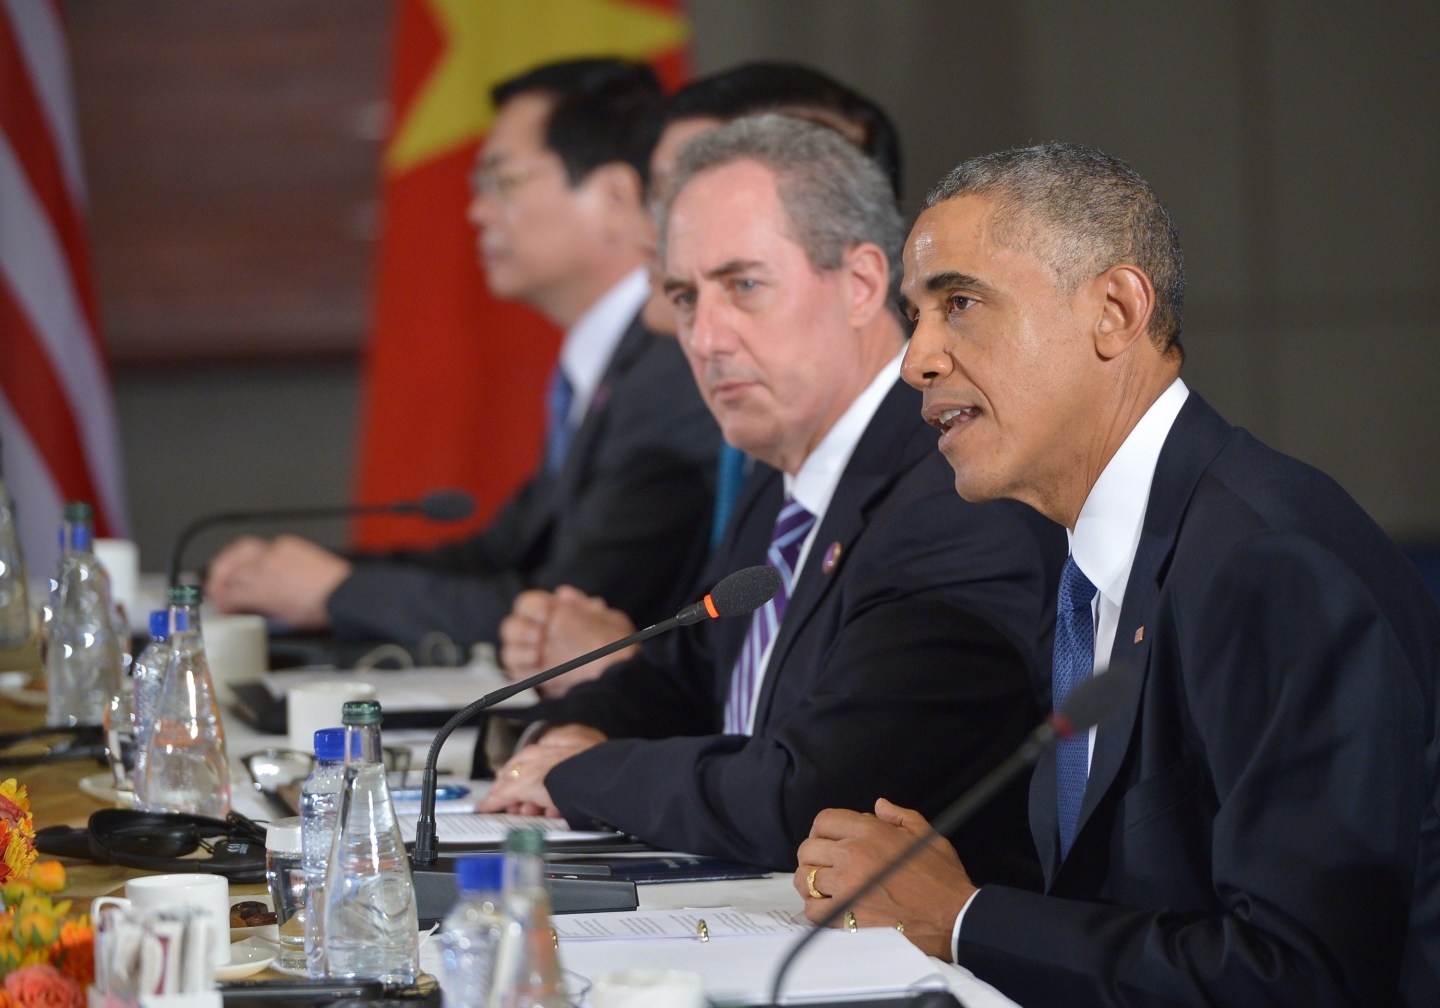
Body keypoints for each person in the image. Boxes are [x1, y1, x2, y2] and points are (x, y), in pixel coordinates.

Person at [795, 142, 1440, 1006]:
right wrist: (923, 886)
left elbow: (1302, 975)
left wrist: (963, 917)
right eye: (917, 316)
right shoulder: (1092, 561)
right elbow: (1128, 898)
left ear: (1115, 309)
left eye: (959, 303)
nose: (918, 359)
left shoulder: (1267, 563)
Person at [480, 115, 1065, 881]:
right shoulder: (781, 481)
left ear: (860, 284)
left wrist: (582, 775)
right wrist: (558, 733)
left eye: (743, 286)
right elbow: (680, 678)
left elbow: (817, 795)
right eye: (686, 298)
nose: (706, 338)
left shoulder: (955, 498)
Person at [205, 59, 719, 653]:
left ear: (612, 196)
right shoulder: (610, 367)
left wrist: (338, 590)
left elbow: (562, 613)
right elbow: (494, 557)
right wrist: (304, 576)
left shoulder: (669, 372)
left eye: (504, 182)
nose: (477, 212)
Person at [499, 61, 905, 695]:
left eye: (744, 284)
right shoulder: (774, 467)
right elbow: (713, 682)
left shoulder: (940, 485)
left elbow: (809, 765)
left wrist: (602, 698)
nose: (648, 225)